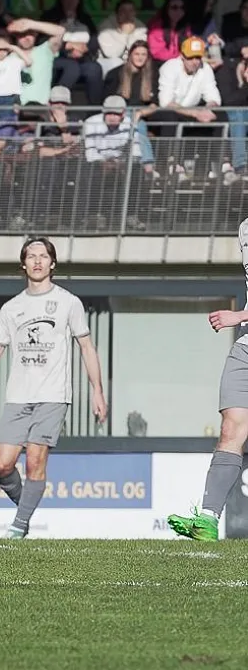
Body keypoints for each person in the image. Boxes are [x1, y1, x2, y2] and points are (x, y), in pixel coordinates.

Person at [0, 237, 107, 539]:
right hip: (17, 399)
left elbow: (87, 347)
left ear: (52, 263)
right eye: (31, 256)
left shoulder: (68, 302)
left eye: (43, 256)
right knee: (2, 465)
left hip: (53, 396)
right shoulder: (11, 308)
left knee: (35, 461)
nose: (37, 261)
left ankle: (18, 528)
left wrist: (97, 391)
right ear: (23, 264)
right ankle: (26, 509)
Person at [167, 216, 248, 542]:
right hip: (246, 348)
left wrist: (240, 315)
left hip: (242, 322)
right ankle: (208, 520)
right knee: (231, 429)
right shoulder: (245, 228)